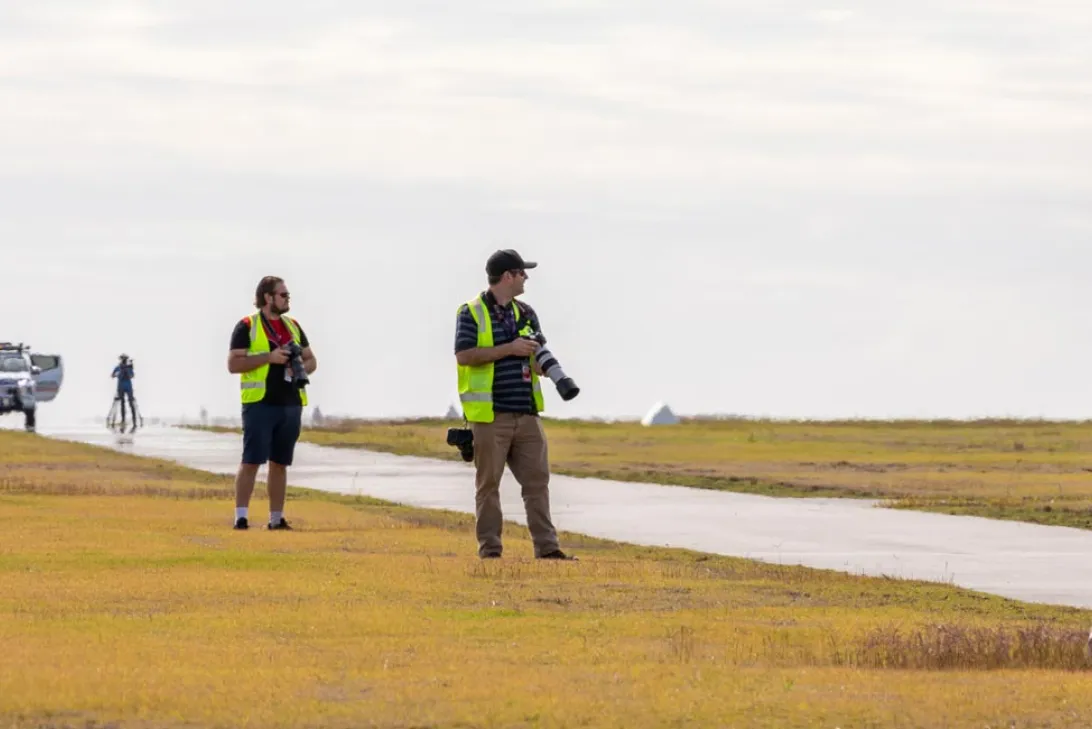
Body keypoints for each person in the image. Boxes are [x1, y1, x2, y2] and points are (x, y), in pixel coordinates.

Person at [454, 249, 575, 560]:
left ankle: (548, 549)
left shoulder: (527, 313)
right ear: (507, 276)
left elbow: (535, 359)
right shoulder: (471, 312)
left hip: (527, 414)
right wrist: (510, 348)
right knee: (488, 486)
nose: (526, 278)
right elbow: (465, 355)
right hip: (490, 415)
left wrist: (546, 367)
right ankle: (490, 551)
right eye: (522, 272)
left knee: (538, 483)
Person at [227, 276, 317, 530]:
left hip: (290, 403)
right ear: (268, 297)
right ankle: (241, 517)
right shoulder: (247, 326)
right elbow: (233, 364)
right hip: (259, 403)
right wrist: (270, 358)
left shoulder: (293, 326)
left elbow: (312, 360)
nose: (287, 299)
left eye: (288, 295)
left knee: (280, 462)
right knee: (251, 461)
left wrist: (297, 369)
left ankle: (276, 519)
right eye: (283, 295)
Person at [111, 354, 137, 431]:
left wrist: (128, 369)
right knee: (122, 404)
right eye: (123, 359)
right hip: (121, 387)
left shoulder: (129, 368)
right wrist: (118, 373)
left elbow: (131, 376)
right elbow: (112, 375)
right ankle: (123, 420)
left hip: (128, 387)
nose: (124, 361)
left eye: (124, 359)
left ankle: (134, 421)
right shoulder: (118, 368)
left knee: (131, 403)